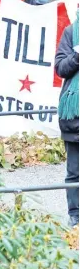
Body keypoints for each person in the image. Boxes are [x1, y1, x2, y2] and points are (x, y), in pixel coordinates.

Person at [55, 13, 79, 228]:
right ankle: (75, 216)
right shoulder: (71, 32)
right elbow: (61, 68)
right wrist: (77, 55)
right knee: (74, 172)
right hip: (76, 116)